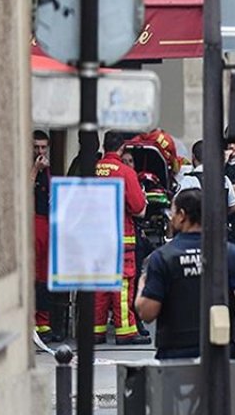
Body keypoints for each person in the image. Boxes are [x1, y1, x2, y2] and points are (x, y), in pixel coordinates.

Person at [135, 189, 235, 359]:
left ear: (182, 215)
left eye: (172, 212)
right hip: (222, 355)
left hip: (175, 355)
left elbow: (147, 312)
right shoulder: (232, 254)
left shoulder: (163, 257)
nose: (171, 217)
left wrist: (141, 286)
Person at [94, 131, 151, 345]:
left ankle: (96, 330)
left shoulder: (92, 169)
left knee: (98, 283)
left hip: (94, 237)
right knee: (122, 283)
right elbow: (138, 208)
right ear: (122, 148)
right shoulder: (125, 172)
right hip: (120, 236)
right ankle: (125, 331)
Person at [32, 130, 61, 341]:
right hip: (31, 222)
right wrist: (35, 169)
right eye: (36, 147)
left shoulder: (49, 170)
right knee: (33, 275)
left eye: (43, 147)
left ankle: (43, 323)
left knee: (45, 276)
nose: (40, 151)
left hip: (47, 222)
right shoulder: (30, 168)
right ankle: (32, 322)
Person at [178, 140, 235, 209]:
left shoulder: (189, 180)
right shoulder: (224, 179)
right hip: (221, 219)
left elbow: (176, 205)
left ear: (193, 157)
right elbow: (234, 206)